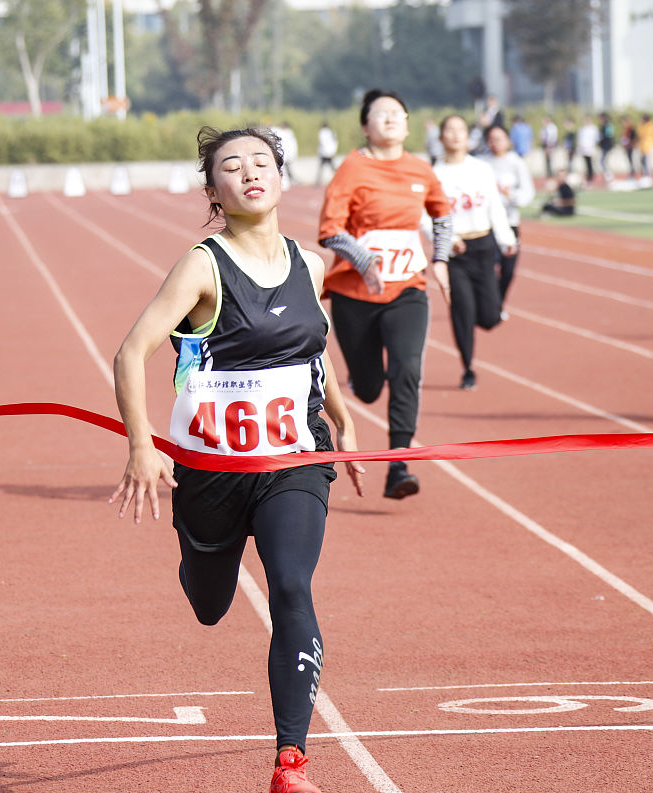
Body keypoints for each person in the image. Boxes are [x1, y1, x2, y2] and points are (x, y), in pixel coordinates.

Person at [110, 126, 366, 793]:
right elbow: (130, 352)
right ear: (213, 191)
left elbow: (312, 348)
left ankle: (291, 760)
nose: (250, 172)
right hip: (212, 472)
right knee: (210, 604)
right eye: (232, 165)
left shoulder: (308, 263)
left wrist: (339, 413)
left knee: (290, 585)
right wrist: (142, 445)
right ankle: (197, 566)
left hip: (294, 461)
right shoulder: (203, 265)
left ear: (281, 177)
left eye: (262, 161)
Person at [318, 89, 453, 499]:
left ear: (408, 124)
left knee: (407, 369)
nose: (391, 119)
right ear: (365, 126)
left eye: (398, 113)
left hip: (407, 288)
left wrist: (441, 259)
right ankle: (362, 377)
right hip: (354, 295)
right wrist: (365, 260)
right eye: (381, 114)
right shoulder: (352, 168)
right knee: (371, 387)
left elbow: (442, 215)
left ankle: (398, 463)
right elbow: (329, 231)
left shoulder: (421, 169)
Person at [428, 114, 517, 390]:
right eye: (450, 130)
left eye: (461, 130)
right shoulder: (434, 174)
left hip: (483, 246)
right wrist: (448, 239)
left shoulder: (481, 169)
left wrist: (506, 238)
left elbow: (495, 207)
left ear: (468, 137)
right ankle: (468, 368)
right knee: (462, 311)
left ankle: (485, 312)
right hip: (456, 253)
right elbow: (425, 216)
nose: (455, 135)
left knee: (490, 317)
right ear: (441, 137)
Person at [481, 124, 535, 318]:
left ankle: (498, 303)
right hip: (487, 225)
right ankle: (491, 303)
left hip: (510, 222)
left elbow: (527, 192)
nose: (495, 143)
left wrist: (510, 195)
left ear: (507, 140)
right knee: (489, 266)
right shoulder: (481, 163)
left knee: (508, 270)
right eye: (491, 139)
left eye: (499, 138)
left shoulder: (516, 163)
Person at [576, 116, 599, 184]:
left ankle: (591, 178)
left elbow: (596, 139)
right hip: (583, 150)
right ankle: (587, 178)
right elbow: (580, 139)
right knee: (585, 164)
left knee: (590, 164)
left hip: (590, 150)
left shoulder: (593, 129)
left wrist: (594, 149)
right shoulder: (581, 129)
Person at [316, 121, 339, 185]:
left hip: (323, 153)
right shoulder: (332, 132)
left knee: (321, 168)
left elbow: (321, 142)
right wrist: (334, 151)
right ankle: (339, 178)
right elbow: (335, 142)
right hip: (330, 152)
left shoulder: (321, 132)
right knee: (332, 167)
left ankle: (318, 182)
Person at [636, 113, 653, 181]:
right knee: (642, 162)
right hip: (642, 147)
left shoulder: (650, 126)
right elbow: (638, 134)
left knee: (646, 163)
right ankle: (645, 176)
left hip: (647, 147)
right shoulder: (642, 126)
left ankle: (648, 177)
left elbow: (643, 135)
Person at [598, 112, 616, 181]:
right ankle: (608, 176)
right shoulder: (603, 126)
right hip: (604, 146)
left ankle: (609, 176)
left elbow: (609, 135)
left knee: (603, 161)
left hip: (608, 146)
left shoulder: (608, 125)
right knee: (603, 161)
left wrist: (602, 137)